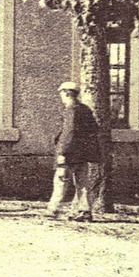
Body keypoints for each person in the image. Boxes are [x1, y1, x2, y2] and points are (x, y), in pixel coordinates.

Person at [48, 80, 102, 221]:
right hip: (82, 155)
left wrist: (62, 153)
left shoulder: (71, 109)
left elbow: (69, 133)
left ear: (66, 93)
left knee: (60, 181)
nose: (61, 96)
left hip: (69, 154)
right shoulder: (85, 109)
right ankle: (85, 212)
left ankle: (53, 209)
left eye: (61, 93)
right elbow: (94, 129)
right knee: (83, 184)